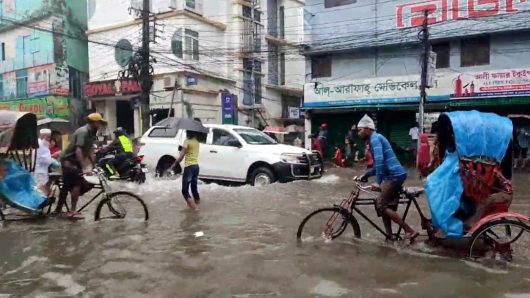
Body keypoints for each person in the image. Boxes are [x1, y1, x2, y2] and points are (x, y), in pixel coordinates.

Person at [357, 114, 418, 242]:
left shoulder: (375, 139)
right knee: (384, 205)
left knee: (380, 204)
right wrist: (366, 175)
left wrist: (378, 182)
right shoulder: (374, 139)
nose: (358, 133)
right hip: (392, 175)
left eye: (360, 130)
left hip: (393, 176)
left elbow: (379, 161)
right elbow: (378, 165)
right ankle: (389, 236)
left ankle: (409, 231)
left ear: (368, 129)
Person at [58, 113, 105, 218]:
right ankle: (72, 211)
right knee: (77, 182)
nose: (100, 125)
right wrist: (83, 168)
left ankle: (60, 209)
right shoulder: (83, 132)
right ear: (94, 122)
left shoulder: (91, 133)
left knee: (73, 184)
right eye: (99, 123)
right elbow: (79, 151)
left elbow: (90, 151)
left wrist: (94, 165)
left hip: (75, 161)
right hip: (68, 161)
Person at [171, 130, 201, 211]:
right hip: (196, 167)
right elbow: (190, 152)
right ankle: (198, 204)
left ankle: (195, 209)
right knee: (194, 189)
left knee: (184, 191)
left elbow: (181, 156)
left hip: (189, 168)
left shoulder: (187, 141)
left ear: (188, 133)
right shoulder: (197, 142)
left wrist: (174, 165)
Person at [34, 129, 54, 196]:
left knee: (42, 185)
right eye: (47, 137)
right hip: (39, 169)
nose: (49, 138)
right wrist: (51, 160)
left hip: (44, 169)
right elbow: (41, 157)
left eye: (49, 137)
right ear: (43, 136)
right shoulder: (39, 144)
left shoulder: (44, 144)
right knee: (39, 187)